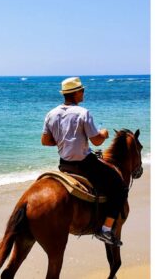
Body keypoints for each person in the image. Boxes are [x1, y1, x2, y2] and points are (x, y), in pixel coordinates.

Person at [41, 77, 127, 247]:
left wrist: (62, 141)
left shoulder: (51, 114)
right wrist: (104, 133)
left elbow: (45, 141)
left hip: (64, 164)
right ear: (75, 93)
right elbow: (96, 142)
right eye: (82, 90)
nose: (84, 93)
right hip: (85, 165)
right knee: (119, 187)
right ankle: (106, 230)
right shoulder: (83, 113)